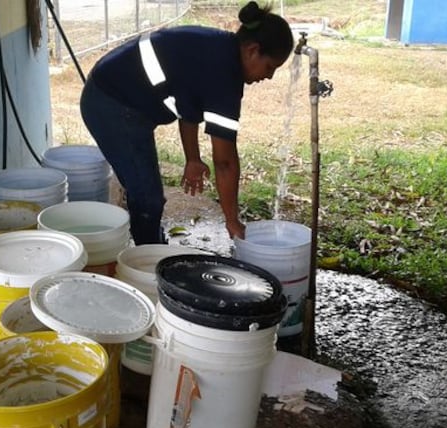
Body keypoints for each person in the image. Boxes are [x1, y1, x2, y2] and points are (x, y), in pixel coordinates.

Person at [80, 1, 293, 245]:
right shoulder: (224, 75)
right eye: (270, 66)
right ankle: (146, 260)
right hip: (111, 103)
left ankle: (148, 243)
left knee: (143, 190)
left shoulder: (221, 48)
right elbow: (224, 162)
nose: (269, 76)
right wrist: (232, 221)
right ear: (253, 50)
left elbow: (188, 108)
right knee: (147, 196)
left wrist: (192, 159)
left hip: (113, 92)